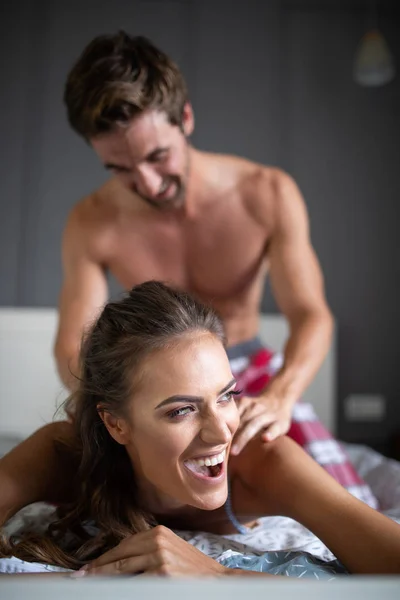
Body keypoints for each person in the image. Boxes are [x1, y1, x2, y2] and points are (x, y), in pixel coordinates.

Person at [0, 32, 375, 516]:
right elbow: (72, 341)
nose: (148, 184)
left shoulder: (266, 194)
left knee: (345, 509)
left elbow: (311, 315)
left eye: (157, 157)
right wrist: (113, 414)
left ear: (187, 119)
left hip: (252, 381)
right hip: (154, 391)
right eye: (120, 169)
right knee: (82, 506)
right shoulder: (91, 221)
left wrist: (281, 397)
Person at [1, 282, 400, 578]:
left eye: (227, 396)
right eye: (181, 411)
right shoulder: (64, 453)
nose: (220, 434)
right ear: (116, 423)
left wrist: (220, 577)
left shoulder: (262, 459)